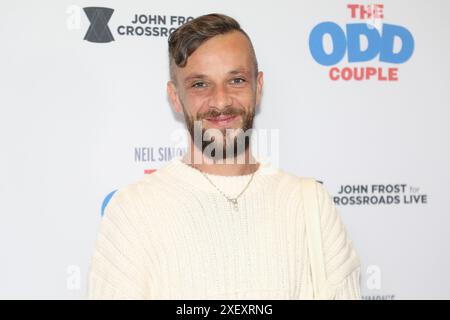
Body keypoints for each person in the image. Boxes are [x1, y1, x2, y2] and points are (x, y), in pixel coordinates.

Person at [88, 13, 361, 299]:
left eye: (236, 80)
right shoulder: (133, 212)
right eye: (200, 84)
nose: (220, 101)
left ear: (258, 87)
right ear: (174, 96)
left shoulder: (311, 206)